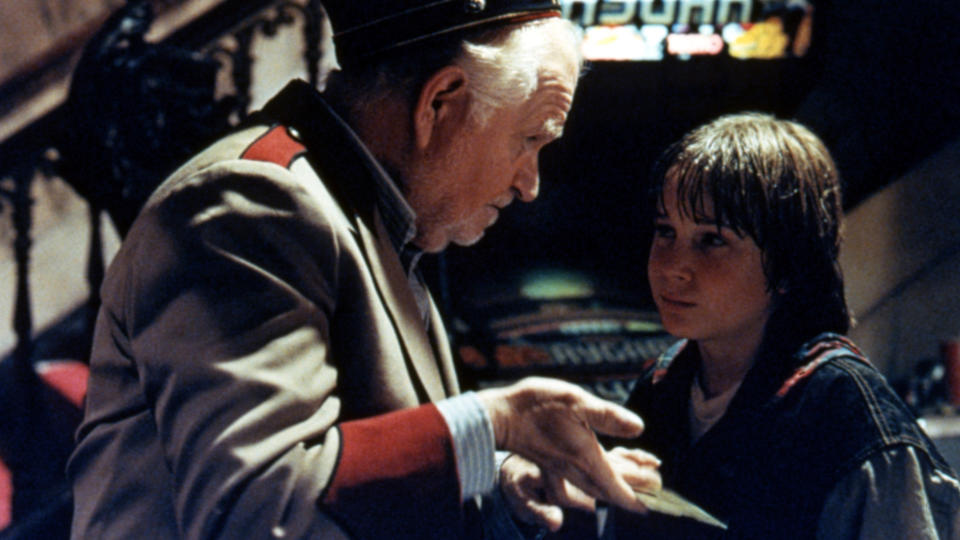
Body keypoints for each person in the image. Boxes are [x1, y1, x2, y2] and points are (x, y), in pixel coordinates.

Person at [65, 1, 663, 539]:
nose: (530, 184)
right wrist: (493, 423)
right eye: (529, 138)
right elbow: (258, 513)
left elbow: (359, 459)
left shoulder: (373, 212)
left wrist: (499, 477)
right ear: (440, 103)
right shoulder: (252, 205)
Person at [499, 113, 960, 539]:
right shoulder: (662, 388)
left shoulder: (846, 415)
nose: (673, 266)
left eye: (712, 240)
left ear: (787, 266)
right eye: (665, 231)